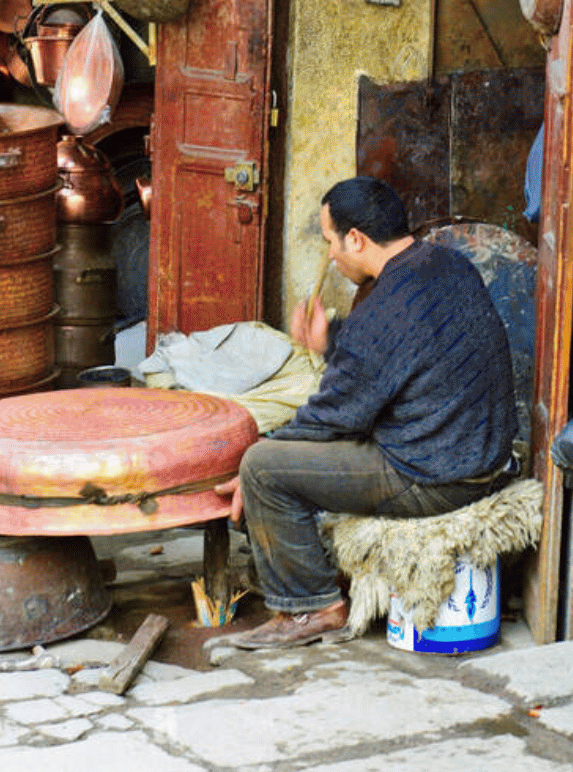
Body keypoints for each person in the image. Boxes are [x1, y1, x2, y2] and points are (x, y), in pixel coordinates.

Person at [211, 176, 517, 652]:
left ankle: (311, 607)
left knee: (263, 467)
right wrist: (329, 342)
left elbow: (334, 416)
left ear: (356, 239)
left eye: (331, 242)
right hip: (479, 458)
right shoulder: (448, 264)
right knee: (281, 450)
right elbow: (397, 353)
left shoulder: (386, 307)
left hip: (433, 477)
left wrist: (266, 452)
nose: (331, 256)